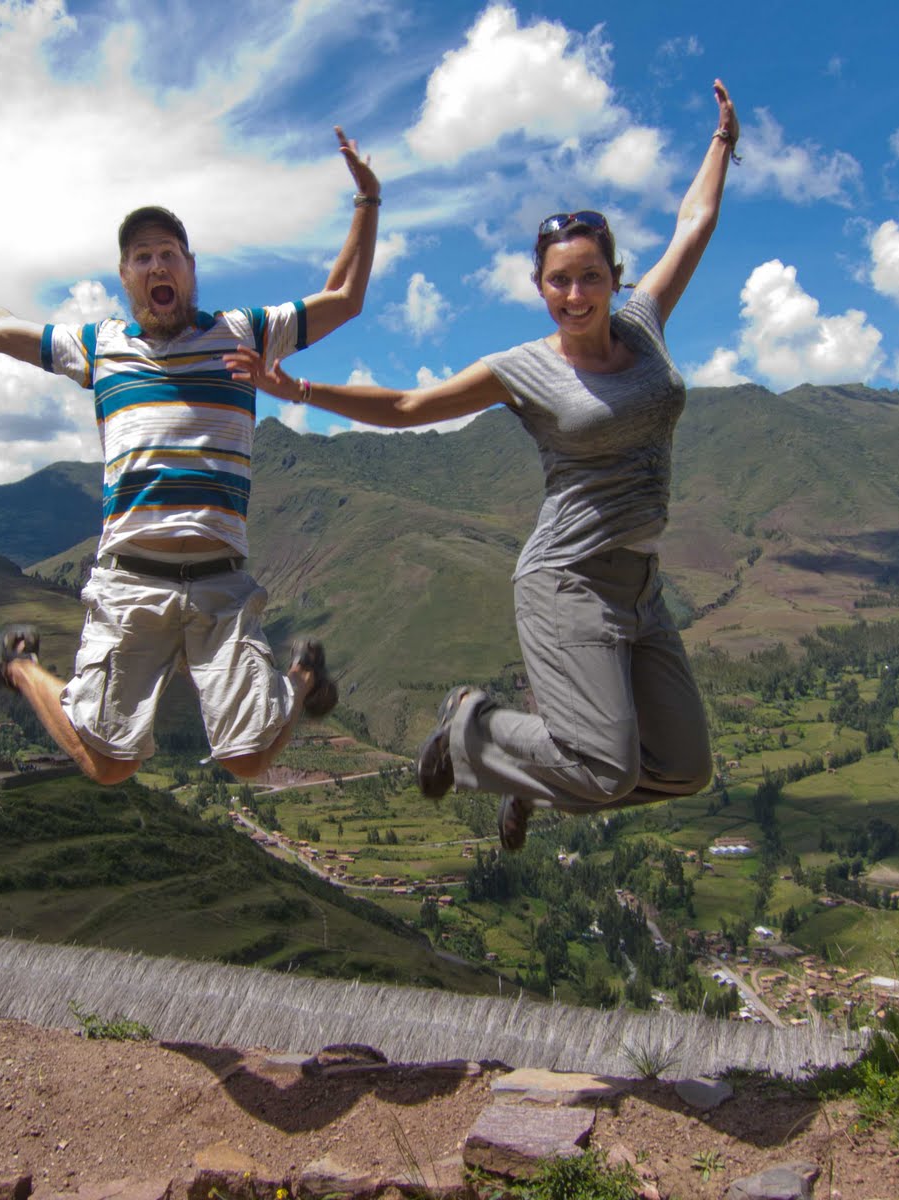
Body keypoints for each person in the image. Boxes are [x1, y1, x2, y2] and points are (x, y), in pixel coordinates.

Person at [227, 83, 739, 849]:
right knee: (605, 769)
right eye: (559, 280)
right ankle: (471, 723)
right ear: (540, 287)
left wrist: (723, 143)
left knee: (684, 768)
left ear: (615, 277)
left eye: (590, 277)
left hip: (641, 586)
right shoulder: (523, 369)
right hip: (569, 580)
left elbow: (694, 224)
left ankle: (524, 776)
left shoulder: (643, 323)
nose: (575, 294)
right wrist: (298, 388)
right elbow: (410, 405)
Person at [0, 128, 381, 785]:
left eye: (169, 253)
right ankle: (20, 664)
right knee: (107, 765)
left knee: (248, 760)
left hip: (220, 582)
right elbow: (0, 329)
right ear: (124, 278)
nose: (157, 266)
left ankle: (303, 675)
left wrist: (367, 202)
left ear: (191, 268)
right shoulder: (100, 346)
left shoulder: (244, 332)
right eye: (142, 257)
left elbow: (344, 300)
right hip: (131, 580)